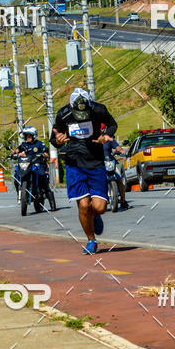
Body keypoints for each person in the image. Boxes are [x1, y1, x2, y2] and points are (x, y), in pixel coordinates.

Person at [50, 87, 117, 254]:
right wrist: (58, 141)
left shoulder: (99, 109)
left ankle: (95, 216)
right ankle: (91, 240)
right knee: (84, 205)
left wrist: (106, 136)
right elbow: (53, 139)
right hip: (74, 163)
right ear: (70, 105)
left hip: (95, 162)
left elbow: (112, 124)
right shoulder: (63, 114)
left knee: (99, 207)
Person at [103, 137, 129, 210]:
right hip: (99, 163)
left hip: (110, 161)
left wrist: (122, 151)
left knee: (119, 179)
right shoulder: (95, 139)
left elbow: (117, 147)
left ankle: (123, 201)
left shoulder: (109, 139)